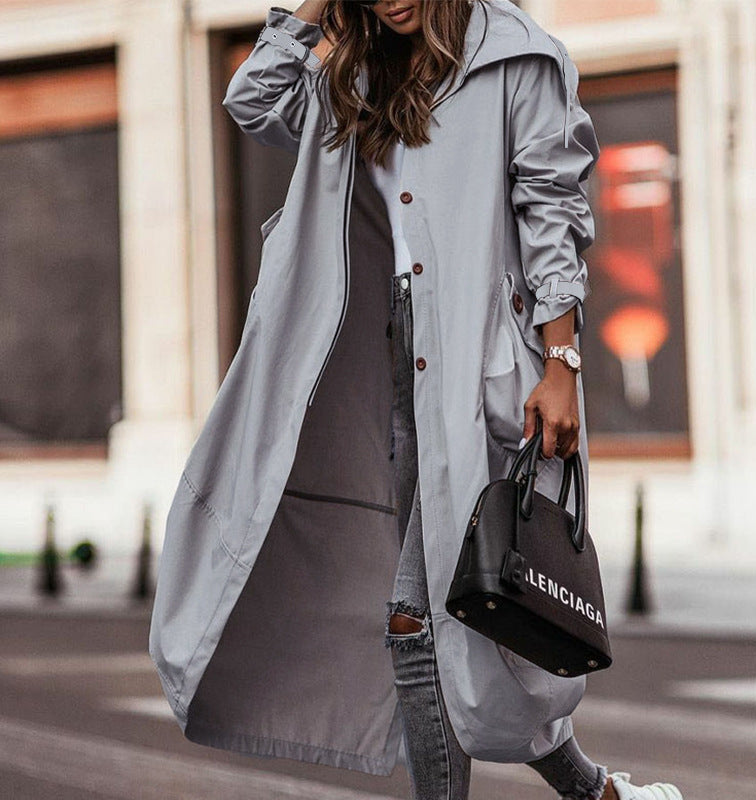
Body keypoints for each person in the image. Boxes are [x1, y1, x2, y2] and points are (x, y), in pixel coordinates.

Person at [150, 2, 683, 799]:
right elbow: (253, 99)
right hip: (392, 366)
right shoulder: (355, 77)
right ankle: (598, 795)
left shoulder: (516, 59)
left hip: (478, 369)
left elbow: (554, 214)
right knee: (460, 622)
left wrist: (563, 359)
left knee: (418, 615)